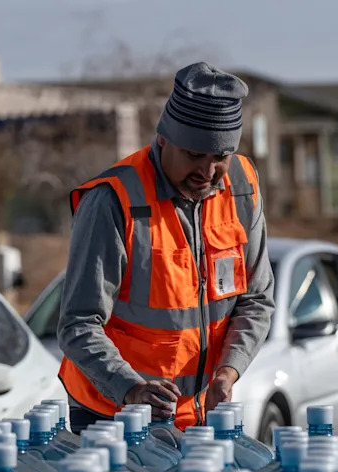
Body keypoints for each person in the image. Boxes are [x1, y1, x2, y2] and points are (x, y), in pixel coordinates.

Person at [57, 62, 275, 433]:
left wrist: (229, 369)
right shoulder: (113, 201)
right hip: (114, 418)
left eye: (220, 157)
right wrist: (130, 389)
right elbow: (78, 324)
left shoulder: (242, 186)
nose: (207, 173)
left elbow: (256, 299)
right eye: (193, 155)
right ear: (162, 139)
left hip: (200, 418)